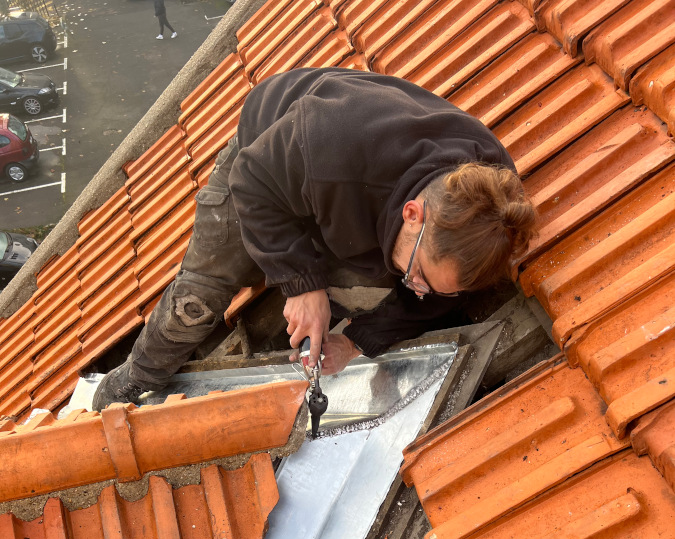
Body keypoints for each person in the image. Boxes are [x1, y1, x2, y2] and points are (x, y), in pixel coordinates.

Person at [93, 68, 536, 411]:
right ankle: (132, 379)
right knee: (202, 295)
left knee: (371, 283)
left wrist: (356, 340)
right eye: (418, 275)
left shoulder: (489, 212)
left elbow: (441, 292)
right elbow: (252, 181)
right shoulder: (330, 145)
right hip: (269, 162)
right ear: (413, 214)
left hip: (348, 188)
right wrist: (302, 284)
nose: (417, 289)